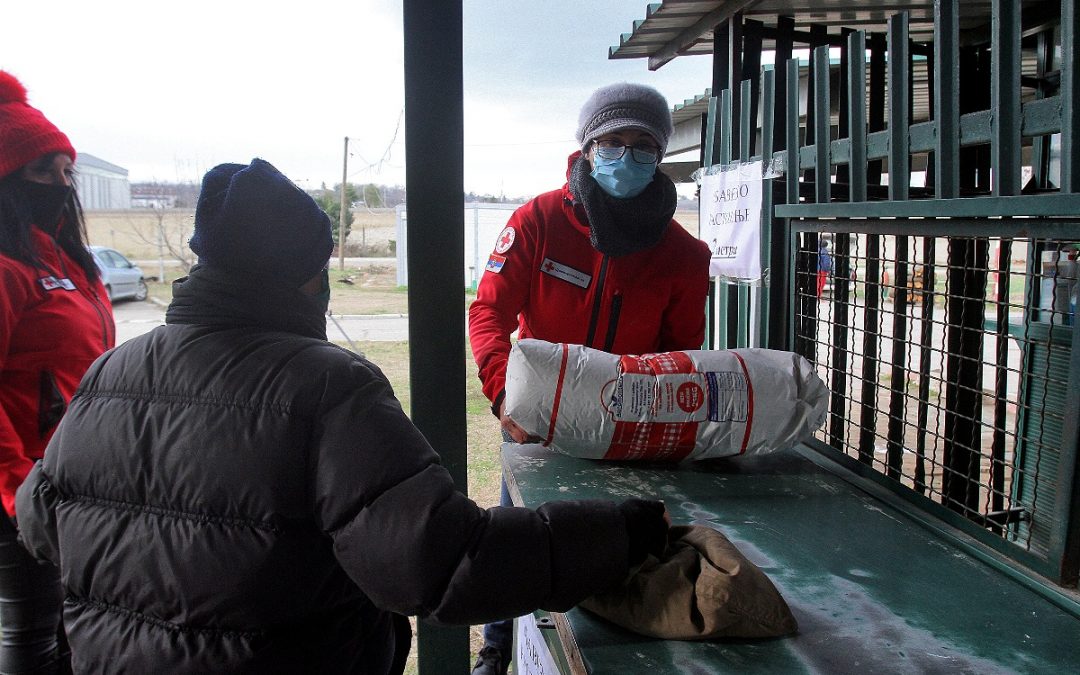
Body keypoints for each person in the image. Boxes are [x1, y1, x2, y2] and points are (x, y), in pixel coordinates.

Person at [14, 158, 670, 674]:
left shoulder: (109, 374)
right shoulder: (327, 387)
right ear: (300, 273)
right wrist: (615, 533)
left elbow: (41, 522)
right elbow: (443, 562)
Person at [467, 82, 711, 674]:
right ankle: (499, 648)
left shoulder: (683, 254)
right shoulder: (538, 221)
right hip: (537, 422)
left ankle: (598, 647)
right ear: (586, 147)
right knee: (520, 536)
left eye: (641, 146)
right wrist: (506, 394)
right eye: (612, 143)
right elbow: (490, 312)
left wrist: (654, 421)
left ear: (659, 157)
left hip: (627, 429)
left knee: (616, 543)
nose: (625, 158)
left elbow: (681, 353)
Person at [0, 70, 114, 674]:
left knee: (77, 631)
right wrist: (15, 483)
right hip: (18, 495)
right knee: (31, 642)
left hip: (68, 481)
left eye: (66, 172)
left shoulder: (67, 261)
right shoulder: (6, 266)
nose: (60, 185)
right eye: (42, 171)